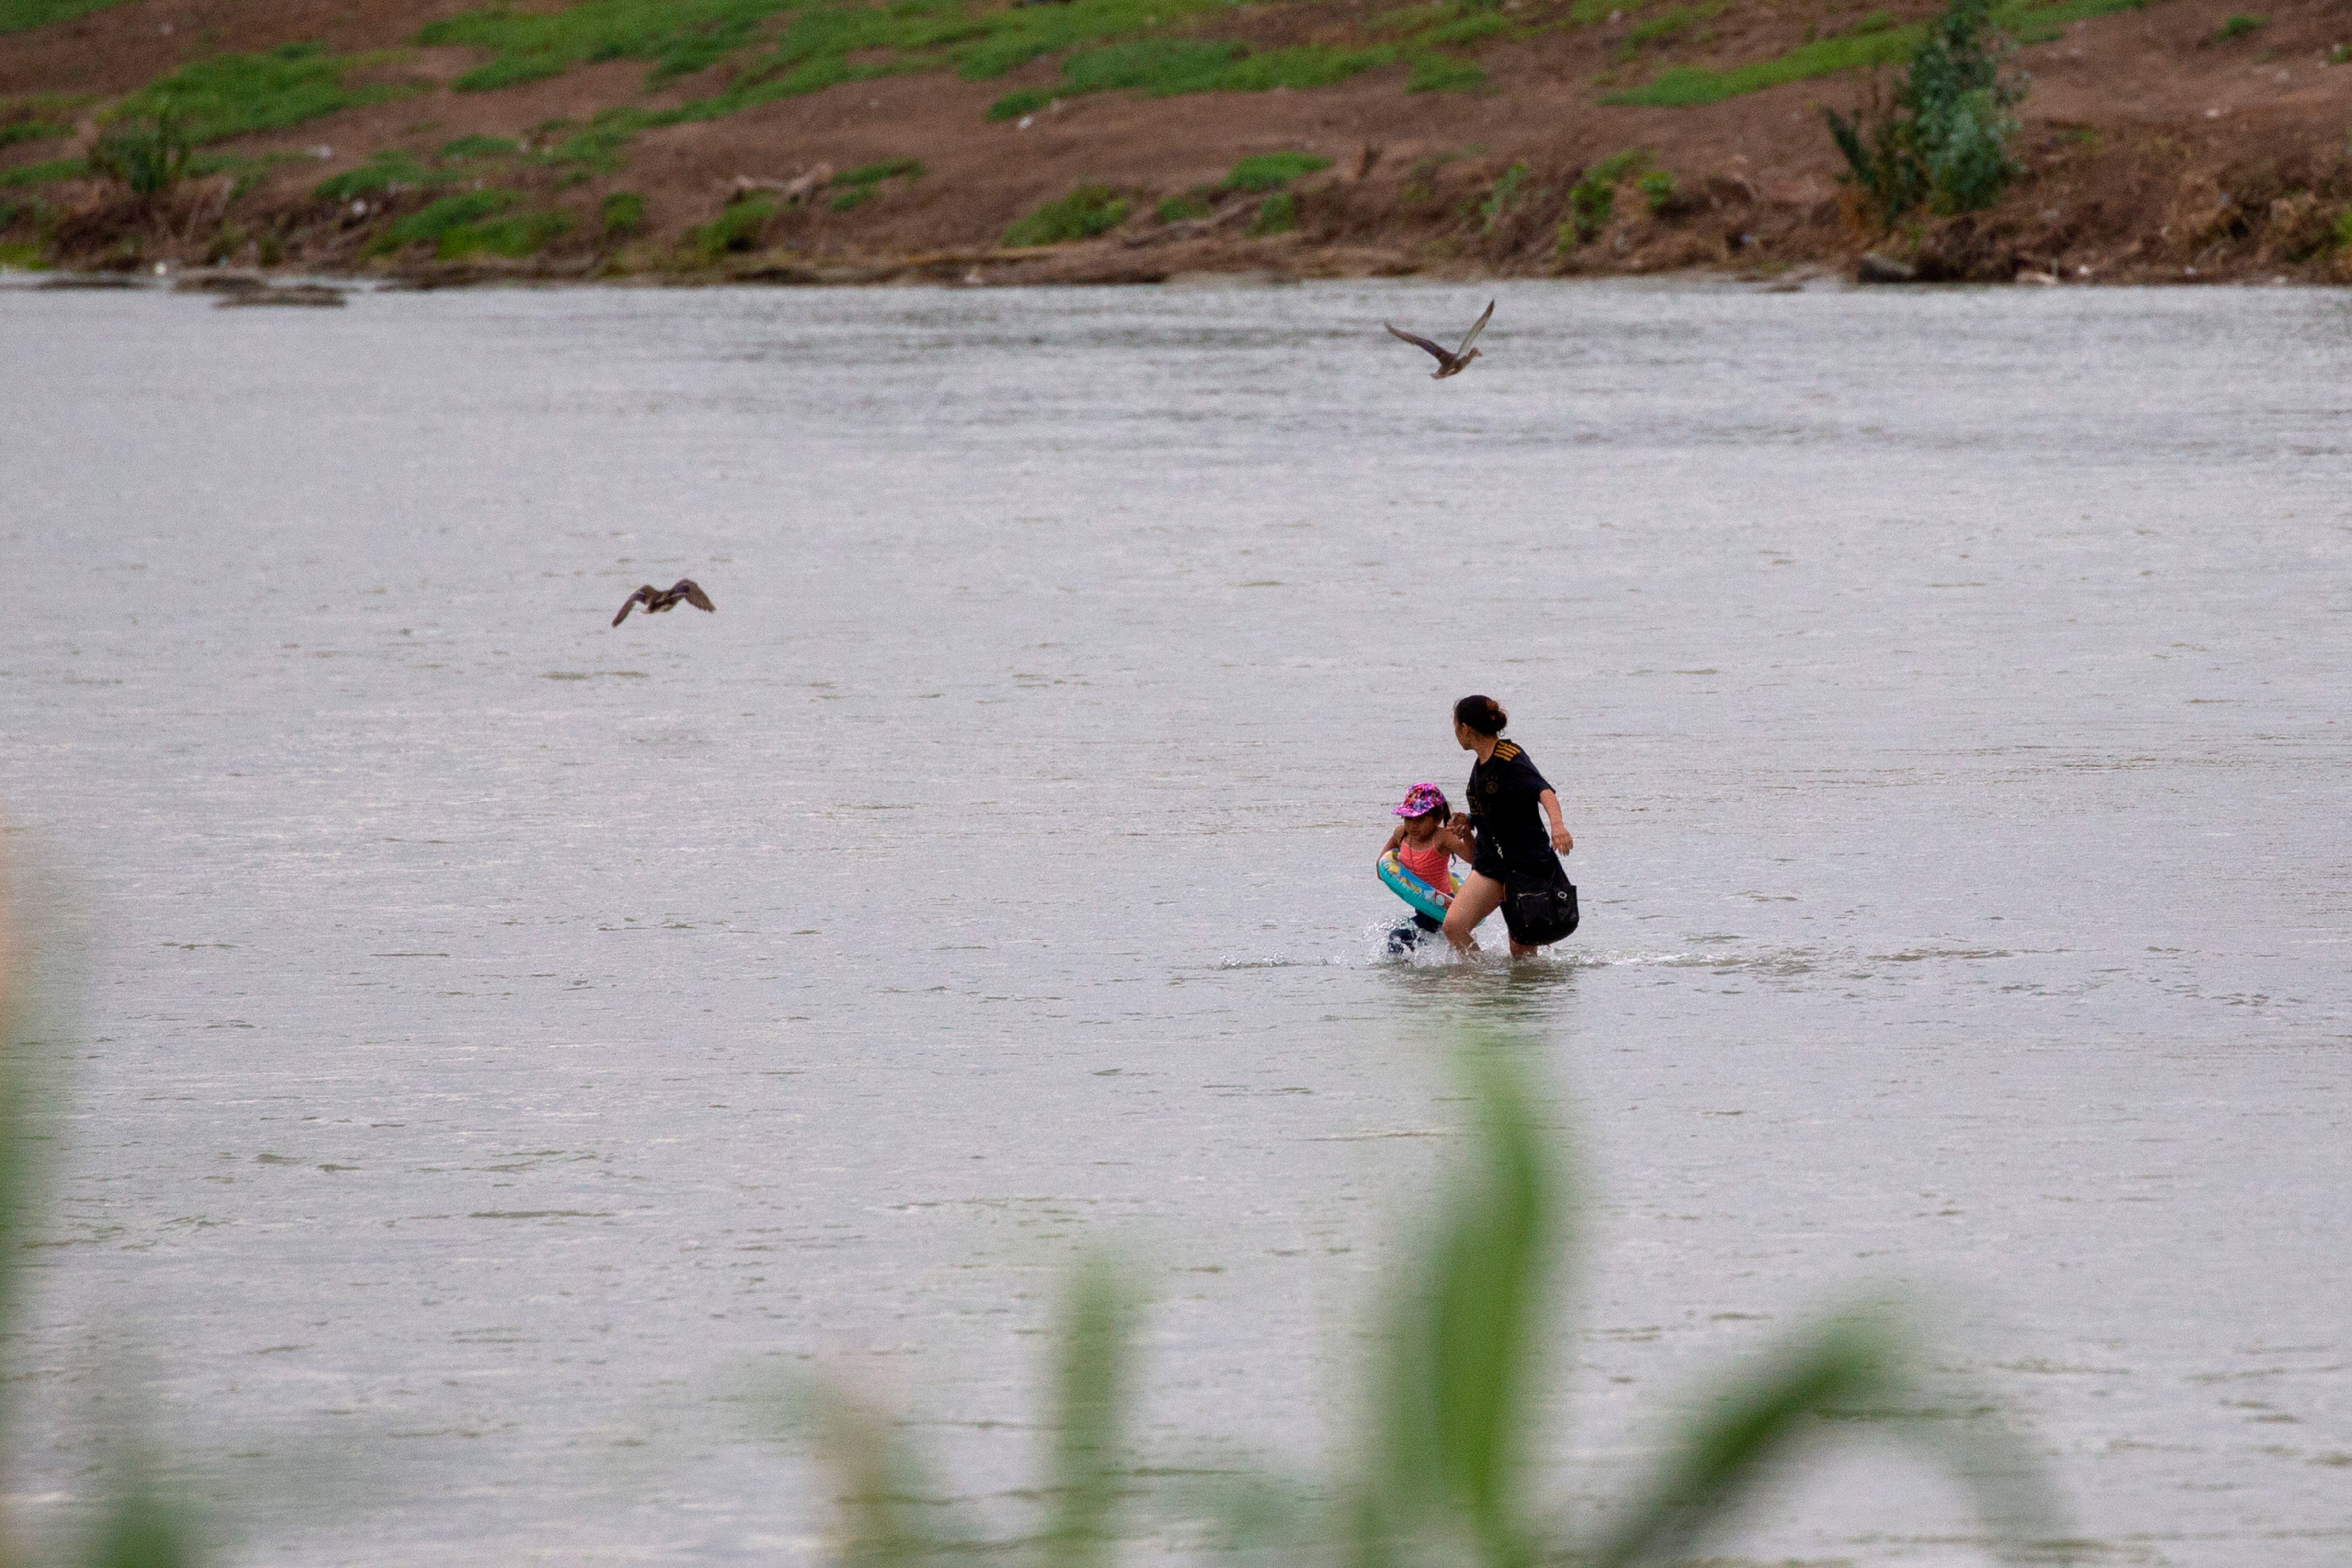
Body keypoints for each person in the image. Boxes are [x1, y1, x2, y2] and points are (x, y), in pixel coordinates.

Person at [1441, 695, 1576, 958]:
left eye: (1455, 726)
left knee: (1522, 955)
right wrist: (1469, 822)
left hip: (1527, 866)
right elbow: (1500, 808)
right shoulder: (1480, 766)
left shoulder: (1510, 757)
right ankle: (1482, 982)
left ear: (1465, 727)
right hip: (1493, 865)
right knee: (1454, 926)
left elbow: (1544, 791)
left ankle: (1524, 995)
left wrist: (1558, 827)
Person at [1381, 783, 1474, 953]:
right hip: (1422, 904)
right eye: (1408, 818)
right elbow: (1382, 867)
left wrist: (1467, 834)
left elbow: (1473, 858)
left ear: (1437, 819)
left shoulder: (1442, 838)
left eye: (1420, 820)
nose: (1413, 826)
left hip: (1442, 905)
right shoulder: (1401, 834)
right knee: (1412, 940)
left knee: (1398, 937)